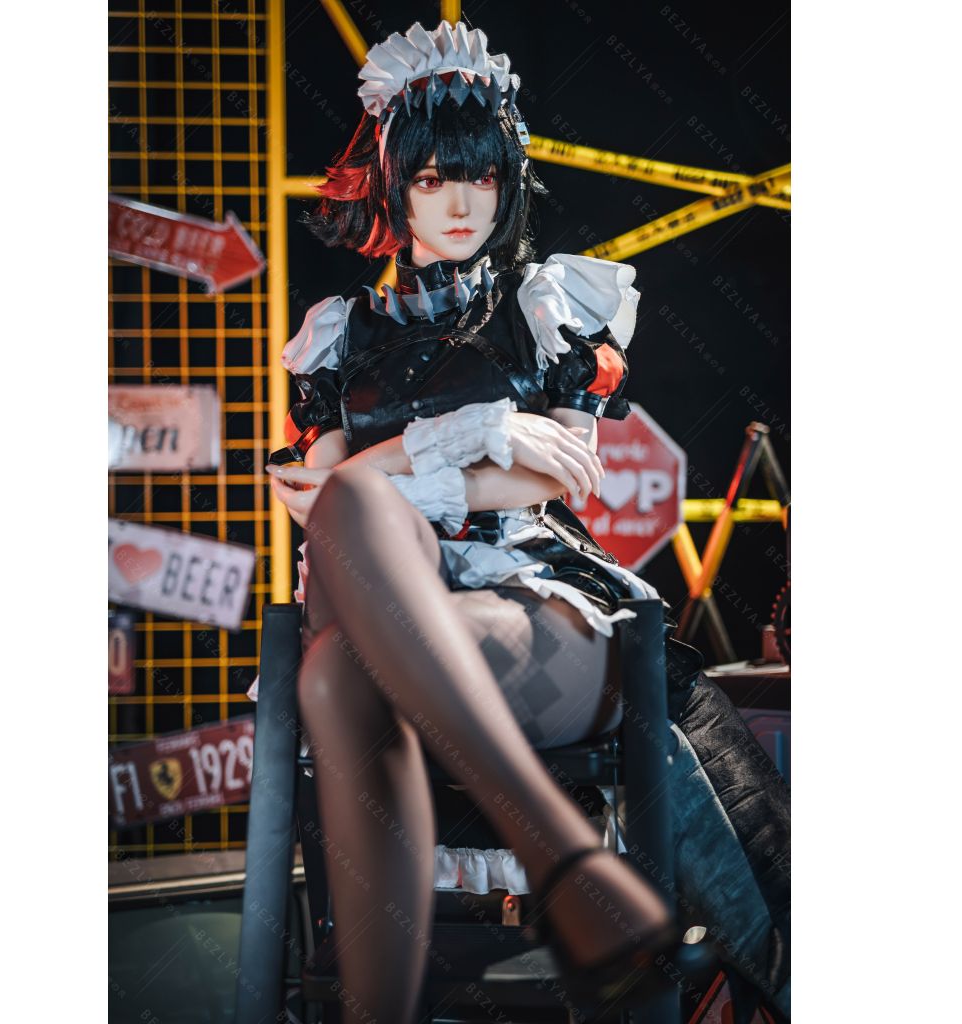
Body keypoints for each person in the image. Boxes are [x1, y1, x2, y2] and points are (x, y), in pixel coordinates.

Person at [263, 20, 790, 1022]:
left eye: (481, 176)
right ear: (393, 185)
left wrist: (398, 467)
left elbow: (556, 477)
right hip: (378, 602)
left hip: (532, 601)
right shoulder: (337, 337)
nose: (461, 202)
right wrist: (470, 436)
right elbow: (312, 499)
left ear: (507, 180)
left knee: (339, 641)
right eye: (431, 179)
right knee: (340, 627)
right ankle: (569, 865)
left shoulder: (547, 306)